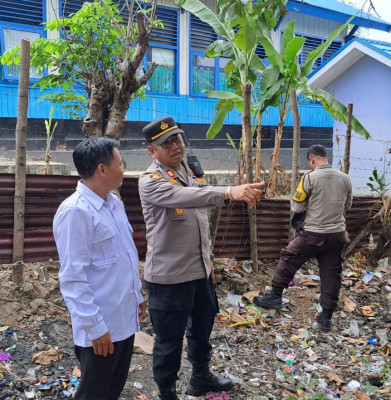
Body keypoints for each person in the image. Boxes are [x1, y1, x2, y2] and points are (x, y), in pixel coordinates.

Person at [138, 116, 265, 400]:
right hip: (170, 278)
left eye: (177, 139)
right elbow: (184, 197)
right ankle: (167, 393)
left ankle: (200, 378)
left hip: (199, 272)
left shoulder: (189, 170)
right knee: (169, 342)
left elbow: (198, 211)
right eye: (165, 143)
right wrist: (230, 191)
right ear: (152, 151)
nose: (174, 146)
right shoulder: (151, 181)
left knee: (201, 330)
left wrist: (207, 266)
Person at [53, 137, 146, 400]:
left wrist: (137, 295)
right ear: (102, 169)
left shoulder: (113, 203)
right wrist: (94, 327)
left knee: (112, 390)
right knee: (94, 394)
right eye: (120, 163)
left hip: (123, 319)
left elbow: (125, 255)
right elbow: (73, 277)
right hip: (101, 328)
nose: (124, 169)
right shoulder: (76, 212)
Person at [254, 144, 352, 332]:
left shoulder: (309, 177)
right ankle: (326, 318)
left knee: (288, 257)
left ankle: (275, 296)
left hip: (313, 234)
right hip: (337, 235)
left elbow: (297, 207)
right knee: (331, 274)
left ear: (312, 160)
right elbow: (348, 205)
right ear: (327, 159)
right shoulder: (345, 178)